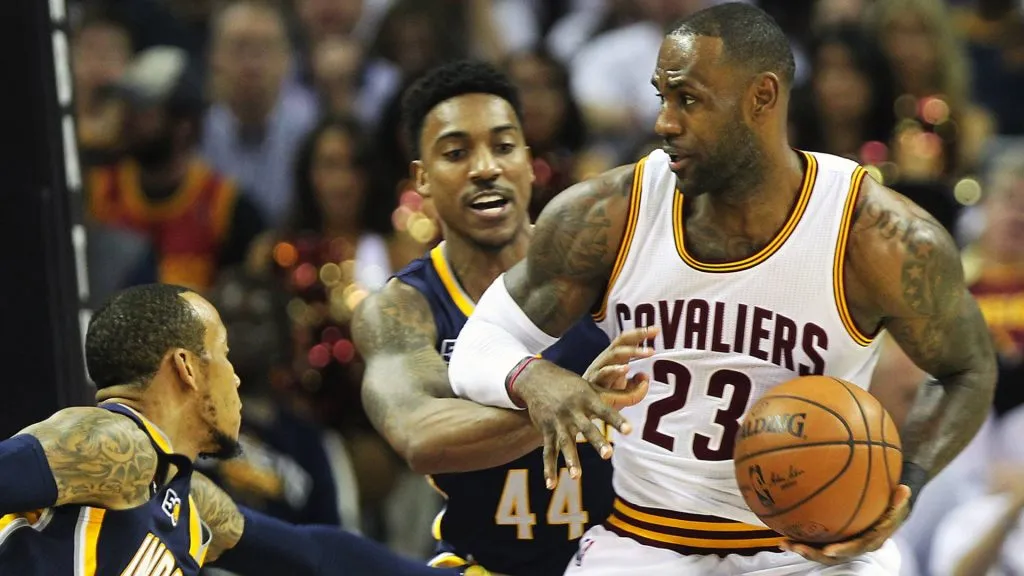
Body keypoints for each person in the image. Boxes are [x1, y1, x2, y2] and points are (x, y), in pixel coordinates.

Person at [448, 3, 997, 575]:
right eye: (662, 96)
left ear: (762, 97)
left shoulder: (877, 235)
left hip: (811, 548)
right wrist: (534, 377)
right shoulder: (607, 214)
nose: (664, 121)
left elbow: (968, 368)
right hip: (646, 540)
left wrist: (903, 481)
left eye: (688, 100)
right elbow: (479, 341)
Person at [351, 60, 652, 576]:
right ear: (421, 179)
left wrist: (568, 399)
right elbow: (419, 436)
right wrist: (561, 397)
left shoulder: (606, 266)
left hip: (634, 557)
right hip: (490, 565)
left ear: (528, 162)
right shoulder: (402, 307)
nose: (485, 167)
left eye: (504, 146)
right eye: (456, 152)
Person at [0, 284, 493, 576]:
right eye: (225, 352)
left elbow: (315, 555)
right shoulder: (110, 443)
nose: (235, 376)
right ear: (187, 368)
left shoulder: (185, 503)